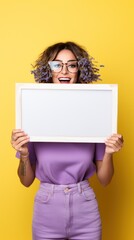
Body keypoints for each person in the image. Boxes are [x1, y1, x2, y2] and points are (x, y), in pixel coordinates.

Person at [11, 42, 124, 240]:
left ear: (80, 70)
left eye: (72, 65)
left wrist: (109, 152)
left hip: (85, 208)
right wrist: (25, 156)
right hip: (46, 210)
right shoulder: (33, 113)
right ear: (48, 70)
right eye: (56, 65)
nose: (64, 71)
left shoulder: (94, 113)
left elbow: (105, 180)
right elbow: (26, 181)